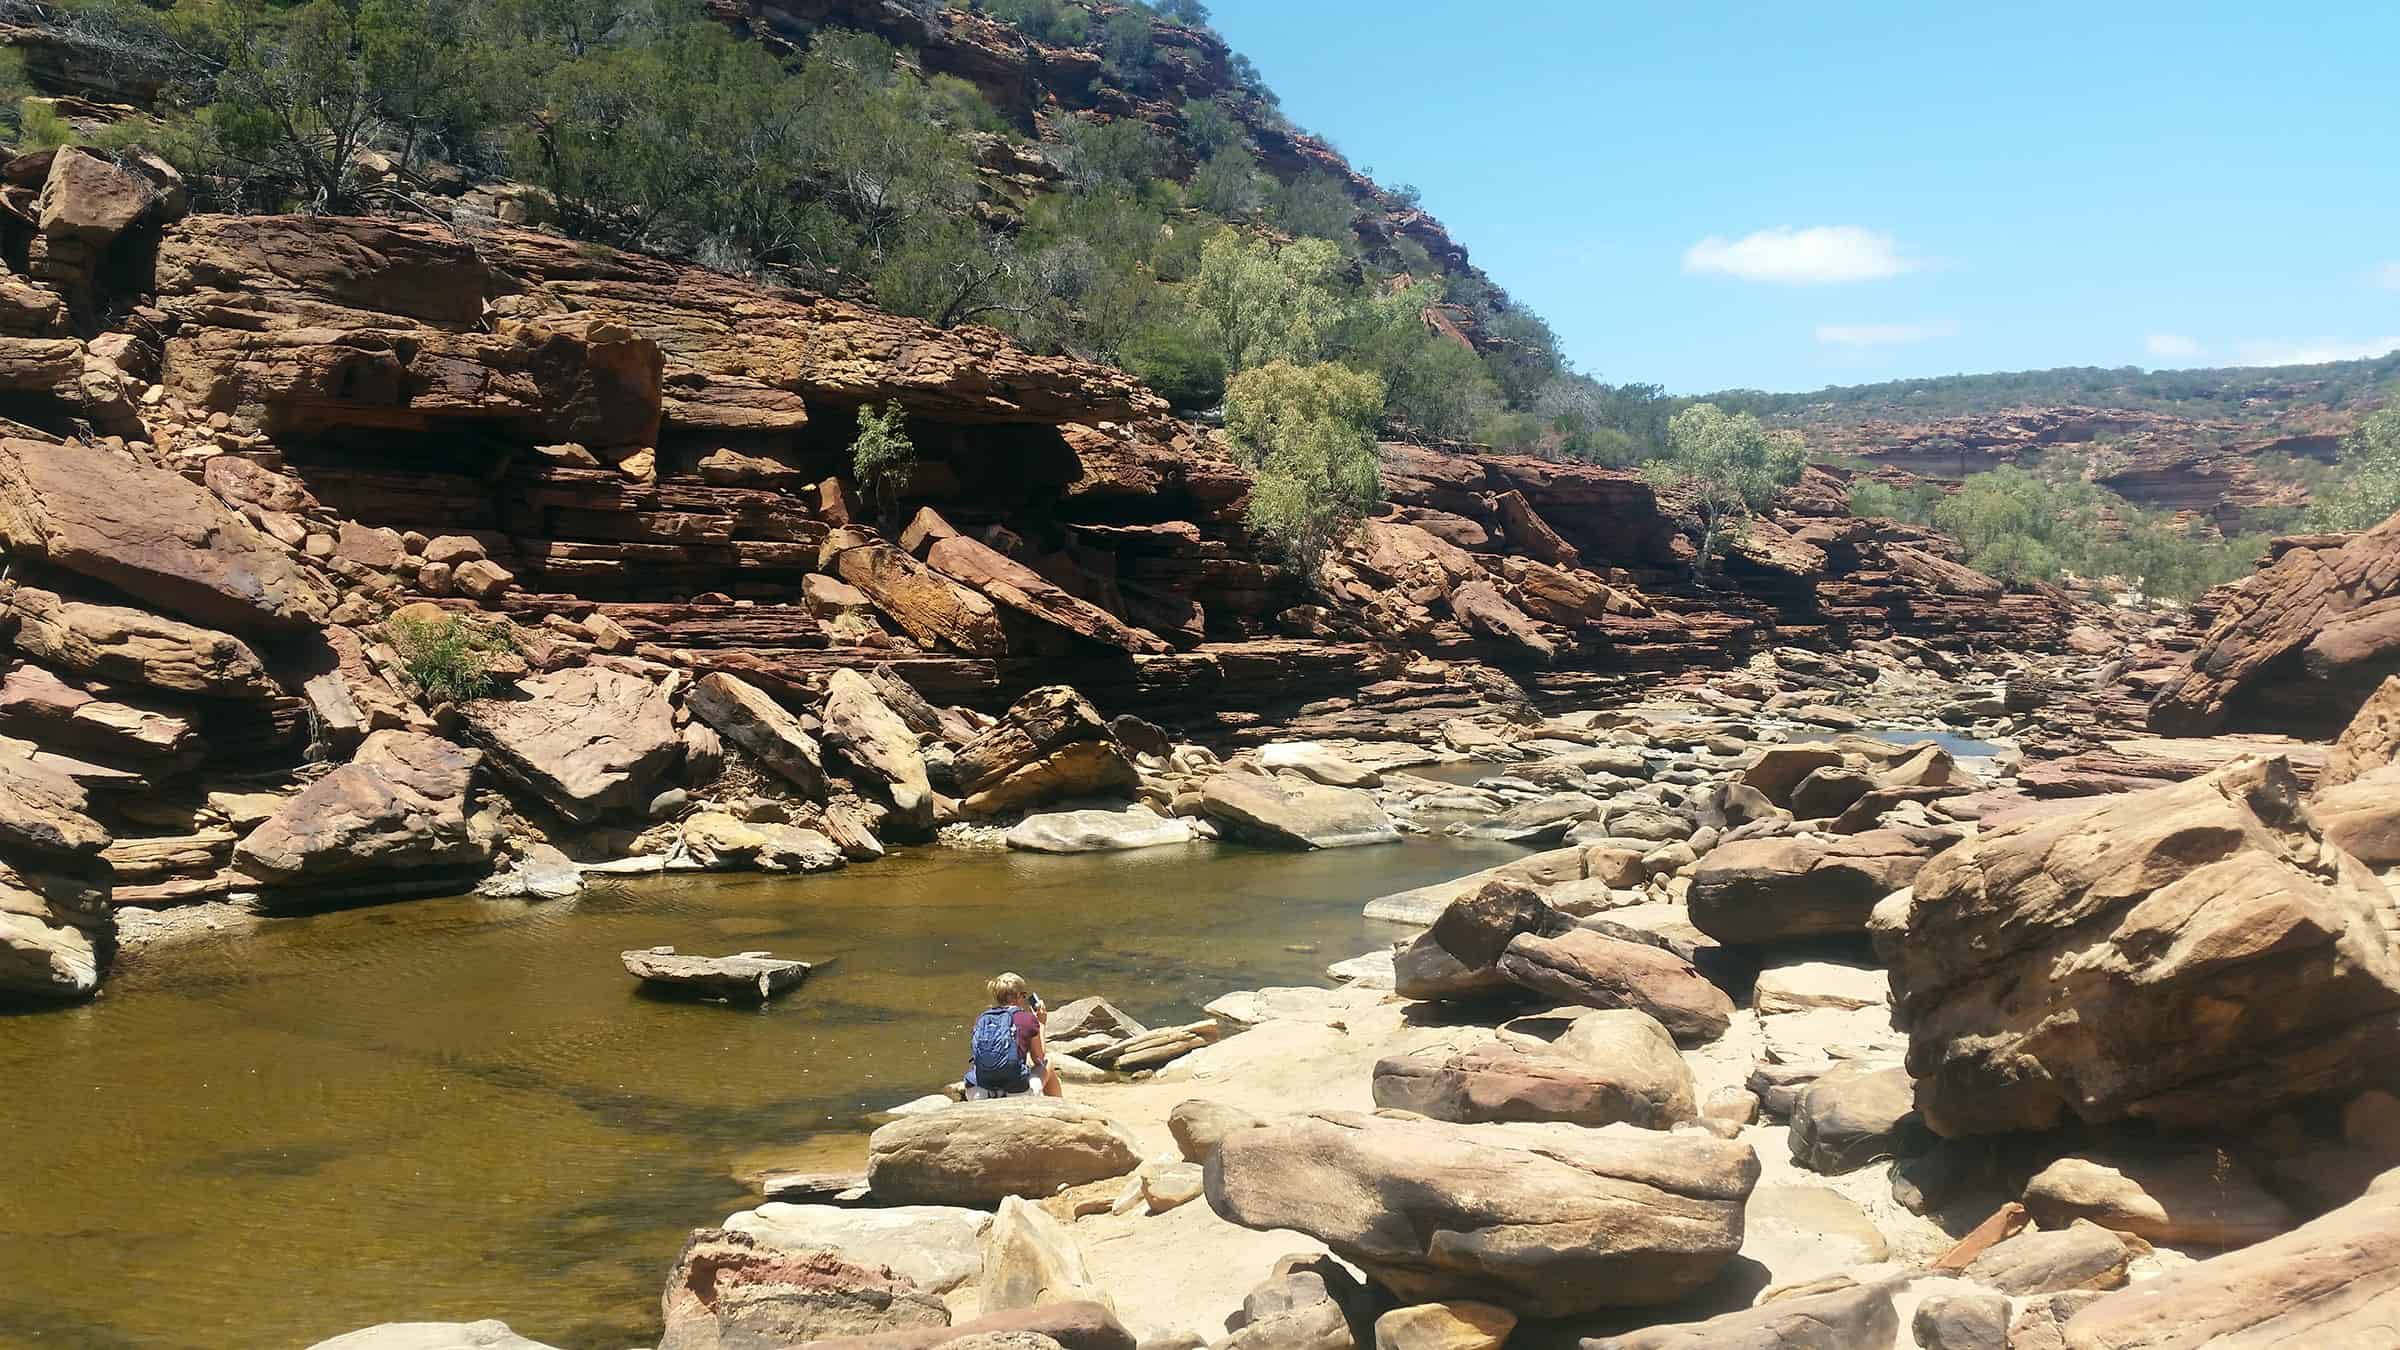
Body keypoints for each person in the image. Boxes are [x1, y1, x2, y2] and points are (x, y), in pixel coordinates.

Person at [964, 972, 1063, 1099]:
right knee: (1047, 1063)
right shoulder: (1027, 1019)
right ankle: (1058, 1106)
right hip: (1016, 1092)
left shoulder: (982, 1019)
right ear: (1017, 996)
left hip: (978, 1092)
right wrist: (1041, 1023)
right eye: (1024, 995)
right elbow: (1039, 1058)